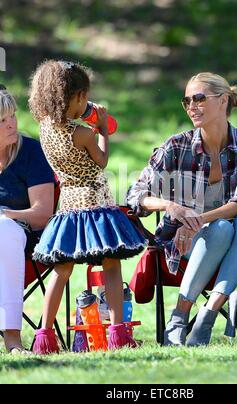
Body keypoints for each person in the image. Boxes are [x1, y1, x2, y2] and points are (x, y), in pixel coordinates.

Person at [126, 72, 237, 346]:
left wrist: (199, 219)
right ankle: (179, 317)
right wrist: (169, 205)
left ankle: (207, 316)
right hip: (182, 242)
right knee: (222, 227)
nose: (191, 106)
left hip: (232, 239)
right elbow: (136, 194)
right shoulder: (176, 146)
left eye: (199, 98)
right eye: (186, 100)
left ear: (223, 101)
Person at [29, 60, 147, 354]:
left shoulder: (44, 128)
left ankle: (44, 335)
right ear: (78, 97)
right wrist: (104, 130)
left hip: (67, 206)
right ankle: (118, 334)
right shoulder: (83, 133)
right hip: (95, 204)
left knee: (62, 269)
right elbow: (102, 161)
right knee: (111, 264)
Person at [0, 85, 55, 354]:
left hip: (23, 234)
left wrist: (5, 214)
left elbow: (43, 213)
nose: (12, 124)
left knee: (2, 230)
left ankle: (12, 337)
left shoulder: (30, 152)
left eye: (12, 116)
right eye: (2, 120)